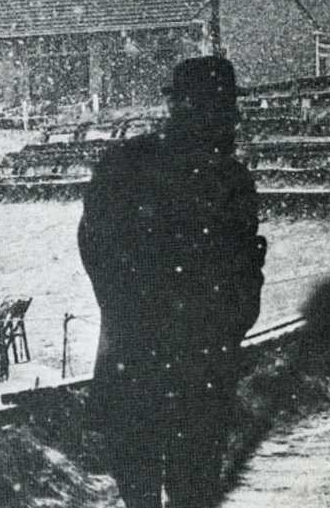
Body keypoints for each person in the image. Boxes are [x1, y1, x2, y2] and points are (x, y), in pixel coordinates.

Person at [78, 56, 267, 508]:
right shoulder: (226, 178)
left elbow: (94, 248)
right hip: (195, 364)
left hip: (139, 357)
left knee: (143, 485)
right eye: (224, 110)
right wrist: (221, 323)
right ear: (198, 109)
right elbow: (244, 272)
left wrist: (128, 310)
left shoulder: (126, 162)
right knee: (191, 487)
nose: (233, 122)